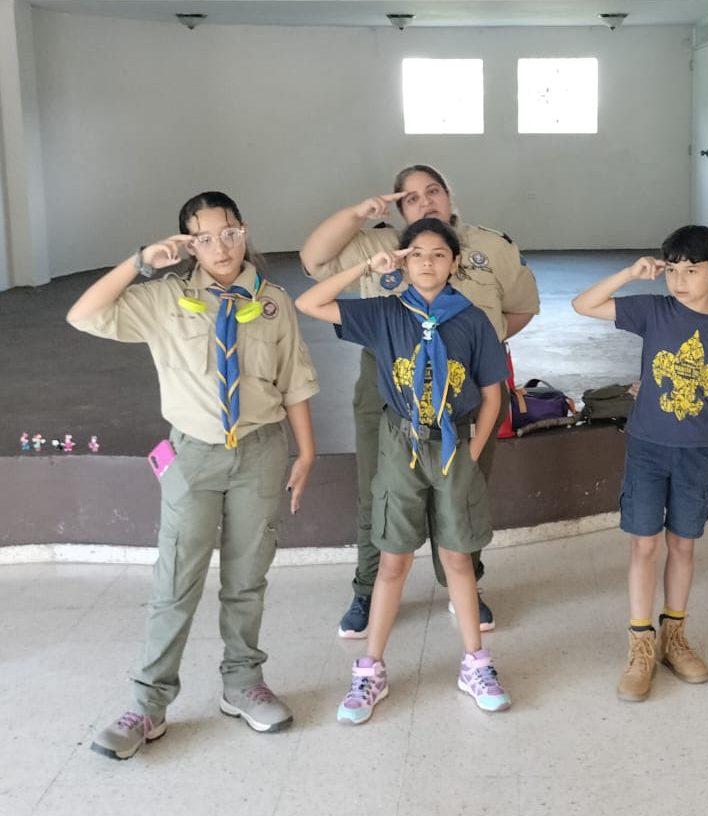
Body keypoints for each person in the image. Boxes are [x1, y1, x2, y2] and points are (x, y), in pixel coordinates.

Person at [67, 191, 319, 759]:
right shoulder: (164, 300)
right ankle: (148, 704)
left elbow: (295, 382)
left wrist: (306, 453)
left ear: (245, 230)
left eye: (229, 232)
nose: (220, 246)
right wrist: (138, 264)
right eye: (203, 237)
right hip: (193, 456)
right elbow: (82, 314)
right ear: (186, 244)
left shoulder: (273, 301)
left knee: (247, 575)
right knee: (176, 580)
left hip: (261, 451)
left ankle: (241, 684)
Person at [300, 164, 538, 638]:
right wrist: (356, 215)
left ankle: (465, 583)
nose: (425, 201)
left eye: (433, 191)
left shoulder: (491, 246)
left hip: (466, 381)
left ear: (450, 196)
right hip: (391, 382)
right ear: (397, 210)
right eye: (410, 198)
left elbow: (520, 307)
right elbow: (312, 263)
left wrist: (470, 350)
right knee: (378, 487)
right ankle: (368, 588)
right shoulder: (379, 243)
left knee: (464, 487)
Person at [296, 217, 513, 721]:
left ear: (455, 262)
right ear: (402, 260)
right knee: (393, 558)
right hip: (401, 443)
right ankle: (370, 668)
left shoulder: (473, 319)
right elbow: (311, 302)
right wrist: (364, 268)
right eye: (416, 253)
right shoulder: (385, 313)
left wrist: (474, 453)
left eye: (439, 254)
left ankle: (474, 663)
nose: (428, 263)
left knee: (459, 558)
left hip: (455, 443)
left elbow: (490, 393)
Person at [573, 225, 708, 701]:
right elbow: (583, 305)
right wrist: (631, 273)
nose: (680, 280)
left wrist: (687, 392)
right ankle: (640, 644)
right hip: (647, 447)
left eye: (692, 271)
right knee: (644, 545)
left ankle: (675, 636)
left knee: (684, 545)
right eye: (672, 270)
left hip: (694, 451)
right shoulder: (654, 311)